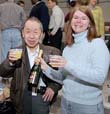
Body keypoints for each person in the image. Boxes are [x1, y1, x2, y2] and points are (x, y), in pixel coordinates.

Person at [39, 6, 110, 114]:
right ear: (70, 21)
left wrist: (68, 64)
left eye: (84, 18)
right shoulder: (68, 48)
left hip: (87, 107)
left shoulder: (97, 44)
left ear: (90, 23)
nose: (79, 21)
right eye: (75, 17)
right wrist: (45, 68)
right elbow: (63, 78)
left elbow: (99, 77)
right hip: (66, 102)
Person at [0, 17, 62, 114]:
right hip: (20, 98)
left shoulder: (52, 52)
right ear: (23, 34)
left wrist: (53, 87)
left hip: (42, 98)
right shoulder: (15, 52)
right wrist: (10, 62)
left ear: (42, 35)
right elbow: (3, 73)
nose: (31, 36)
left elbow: (60, 77)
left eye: (36, 32)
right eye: (28, 32)